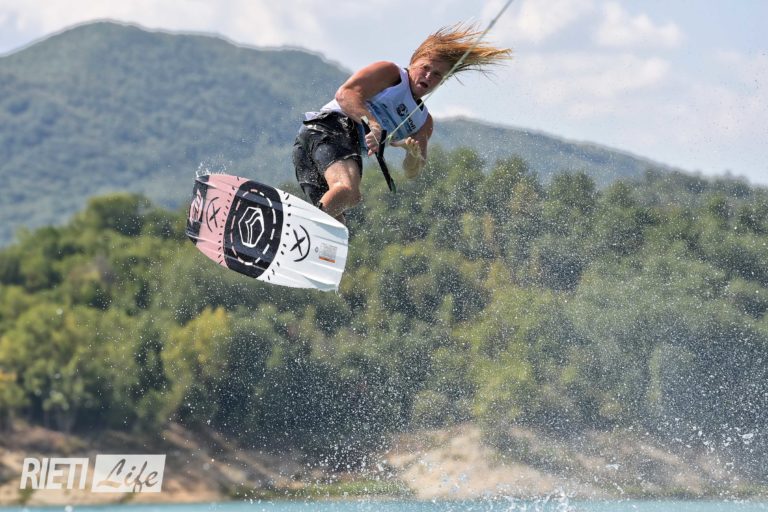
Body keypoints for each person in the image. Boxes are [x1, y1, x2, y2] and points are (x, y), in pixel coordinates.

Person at [292, 24, 512, 222]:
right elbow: (345, 95)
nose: (428, 76)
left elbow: (412, 172)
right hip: (327, 129)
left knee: (337, 221)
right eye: (425, 67)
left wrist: (412, 155)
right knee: (349, 190)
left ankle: (298, 239)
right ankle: (299, 229)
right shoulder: (391, 74)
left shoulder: (423, 122)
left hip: (328, 148)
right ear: (413, 62)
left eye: (437, 75)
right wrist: (373, 124)